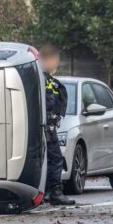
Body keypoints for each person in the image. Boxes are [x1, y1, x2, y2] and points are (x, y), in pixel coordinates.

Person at [39, 45, 75, 205]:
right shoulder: (46, 81)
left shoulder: (49, 81)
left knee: (45, 159)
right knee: (54, 158)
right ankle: (54, 192)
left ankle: (46, 192)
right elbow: (49, 103)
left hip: (43, 127)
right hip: (45, 128)